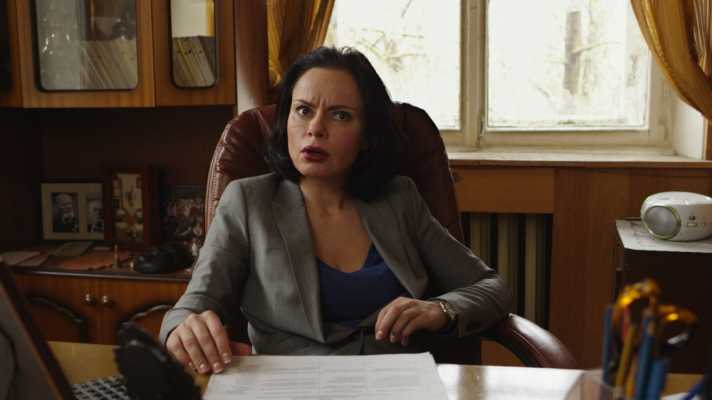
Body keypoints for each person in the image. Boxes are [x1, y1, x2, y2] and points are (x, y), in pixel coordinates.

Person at [160, 47, 511, 375]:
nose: (315, 128)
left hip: (395, 383)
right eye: (303, 110)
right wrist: (181, 329)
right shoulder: (248, 201)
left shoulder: (399, 200)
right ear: (286, 120)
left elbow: (489, 286)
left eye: (340, 115)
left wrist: (441, 310)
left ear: (367, 135)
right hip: (292, 386)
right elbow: (194, 303)